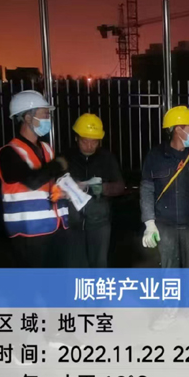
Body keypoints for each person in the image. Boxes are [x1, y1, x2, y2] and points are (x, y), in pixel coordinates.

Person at [140, 106, 189, 327]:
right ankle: (169, 311)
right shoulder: (155, 156)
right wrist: (149, 223)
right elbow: (146, 189)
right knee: (169, 270)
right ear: (177, 129)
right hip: (166, 224)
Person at [0, 90, 69, 268]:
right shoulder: (9, 153)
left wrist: (67, 190)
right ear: (28, 118)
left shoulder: (47, 149)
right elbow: (32, 181)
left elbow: (54, 182)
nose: (48, 119)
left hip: (56, 229)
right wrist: (57, 165)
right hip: (28, 235)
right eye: (44, 114)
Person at [64, 113, 125, 268]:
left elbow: (120, 186)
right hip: (72, 223)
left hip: (99, 222)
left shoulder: (107, 158)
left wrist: (101, 188)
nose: (89, 146)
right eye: (85, 141)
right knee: (75, 266)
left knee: (99, 265)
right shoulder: (66, 158)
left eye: (94, 142)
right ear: (76, 138)